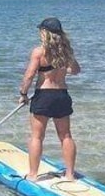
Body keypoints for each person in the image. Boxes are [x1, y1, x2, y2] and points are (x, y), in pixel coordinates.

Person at [18, 17, 81, 181]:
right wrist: (61, 67)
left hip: (44, 96)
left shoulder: (39, 52)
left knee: (37, 136)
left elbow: (29, 75)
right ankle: (69, 175)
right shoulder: (66, 51)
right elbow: (75, 70)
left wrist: (23, 94)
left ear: (44, 32)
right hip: (61, 95)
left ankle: (32, 175)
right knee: (66, 136)